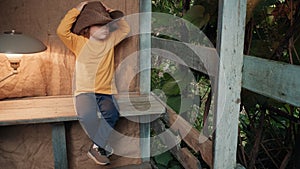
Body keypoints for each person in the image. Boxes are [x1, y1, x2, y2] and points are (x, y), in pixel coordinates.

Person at [57, 1, 130, 165]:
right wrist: (77, 9)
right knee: (87, 116)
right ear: (86, 29)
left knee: (112, 113)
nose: (104, 29)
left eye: (107, 25)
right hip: (84, 91)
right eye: (99, 25)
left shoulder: (110, 42)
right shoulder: (79, 43)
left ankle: (96, 147)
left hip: (105, 91)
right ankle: (102, 145)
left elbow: (125, 29)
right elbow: (61, 31)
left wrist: (111, 13)